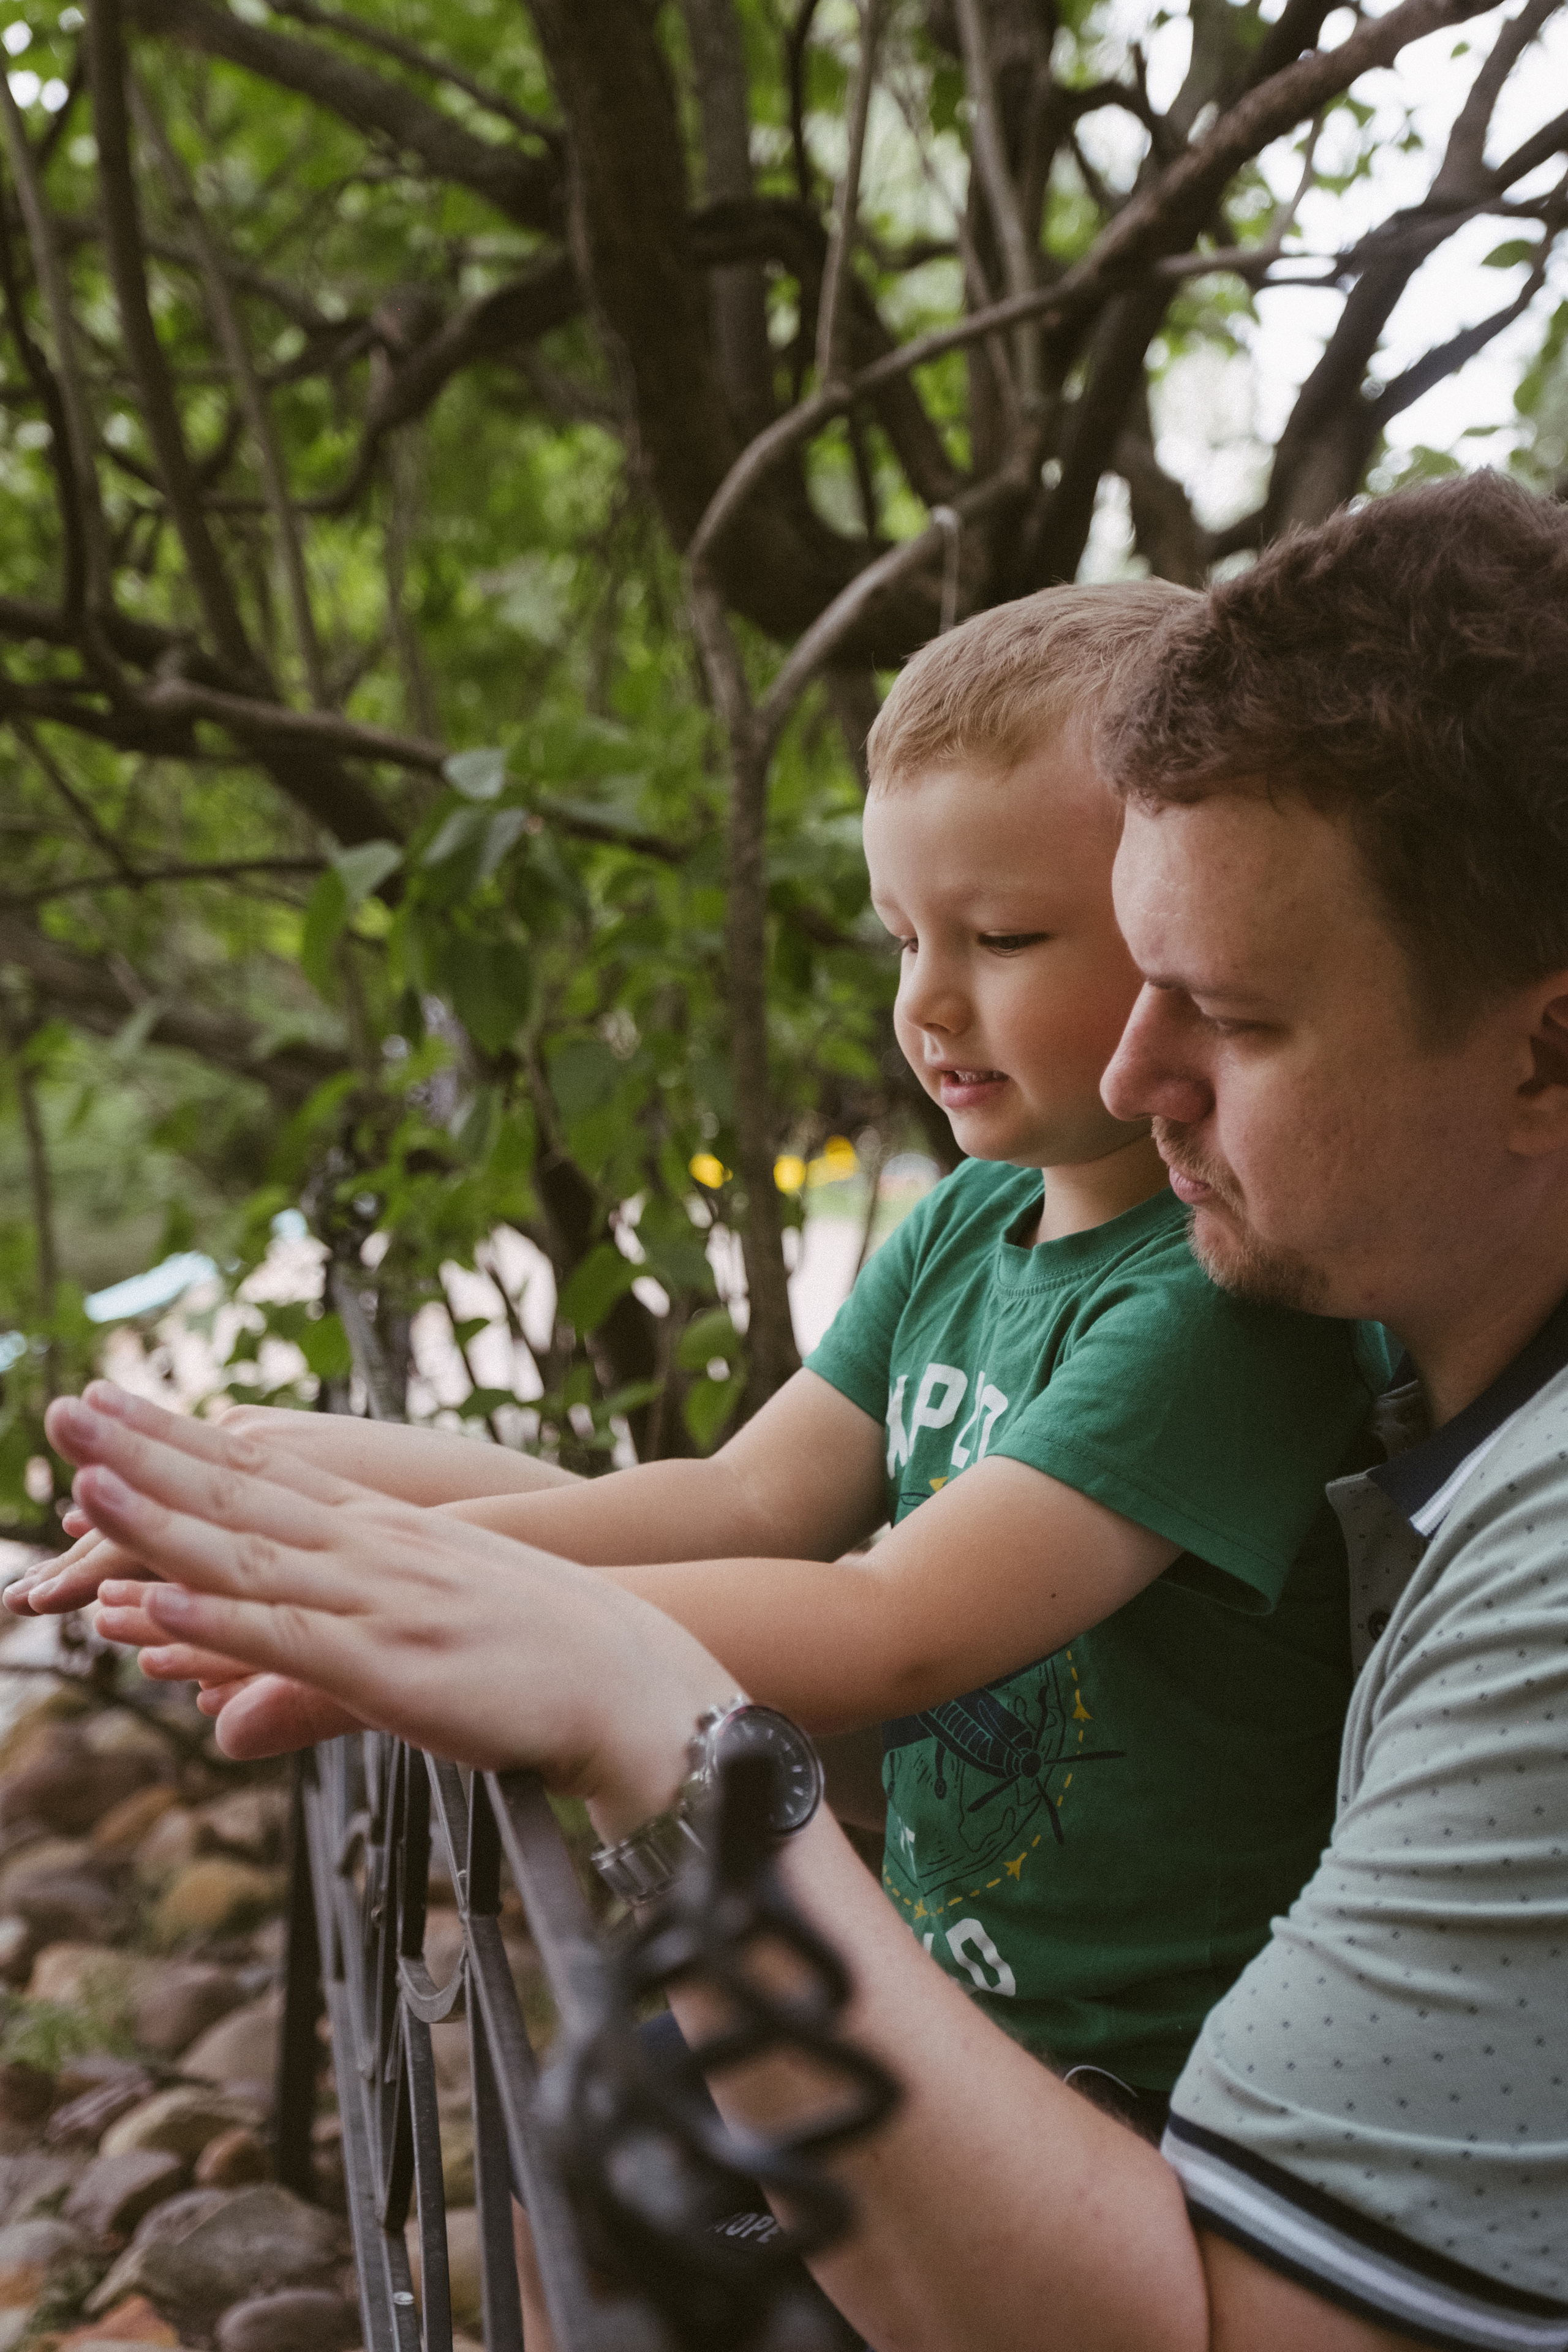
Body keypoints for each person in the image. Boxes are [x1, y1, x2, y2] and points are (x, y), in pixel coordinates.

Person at [36, 467, 1568, 2350]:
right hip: (965, 1998)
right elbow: (737, 1498)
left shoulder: (1256, 1349)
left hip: (1121, 2080)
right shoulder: (1005, 1230)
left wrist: (514, 1646)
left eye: (1227, 1014)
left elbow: (892, 1624)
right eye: (907, 939)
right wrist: (322, 1516)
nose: (1130, 1064)